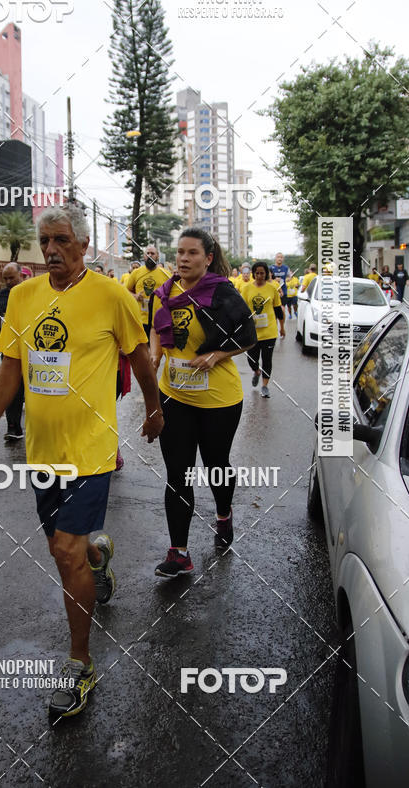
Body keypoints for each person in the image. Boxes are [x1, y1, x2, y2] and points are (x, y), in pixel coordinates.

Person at [0, 204, 163, 719]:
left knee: (64, 551)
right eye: (44, 241)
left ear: (82, 245)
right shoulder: (23, 297)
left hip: (91, 450)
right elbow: (12, 364)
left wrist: (154, 408)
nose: (51, 250)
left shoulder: (112, 297)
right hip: (43, 450)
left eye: (60, 240)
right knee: (68, 550)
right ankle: (98, 558)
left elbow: (140, 357)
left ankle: (79, 662)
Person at [149, 228, 256, 577]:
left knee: (216, 464)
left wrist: (217, 354)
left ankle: (223, 514)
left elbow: (248, 335)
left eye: (192, 253)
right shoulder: (163, 292)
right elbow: (155, 328)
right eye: (179, 252)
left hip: (219, 401)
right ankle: (179, 552)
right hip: (175, 395)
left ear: (208, 258)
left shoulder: (221, 292)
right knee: (177, 473)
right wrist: (153, 356)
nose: (183, 258)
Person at [241, 261, 285, 398]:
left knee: (267, 359)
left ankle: (265, 386)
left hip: (269, 331)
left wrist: (282, 327)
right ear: (254, 274)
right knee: (251, 358)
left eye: (262, 273)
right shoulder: (247, 289)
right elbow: (242, 309)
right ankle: (256, 371)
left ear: (267, 274)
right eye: (257, 273)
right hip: (252, 331)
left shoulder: (272, 289)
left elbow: (278, 309)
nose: (260, 276)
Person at [0, 263, 25, 441]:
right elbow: (2, 314)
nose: (8, 282)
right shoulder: (3, 294)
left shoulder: (31, 291)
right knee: (12, 384)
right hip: (11, 343)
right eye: (5, 279)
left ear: (21, 275)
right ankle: (13, 426)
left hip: (31, 344)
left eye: (11, 277)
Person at [126, 246, 171, 341]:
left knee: (157, 353)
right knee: (143, 350)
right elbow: (125, 291)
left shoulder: (166, 274)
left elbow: (173, 294)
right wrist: (135, 296)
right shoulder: (136, 273)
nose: (150, 256)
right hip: (141, 319)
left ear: (157, 256)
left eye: (152, 253)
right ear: (144, 256)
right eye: (148, 253)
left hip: (160, 320)